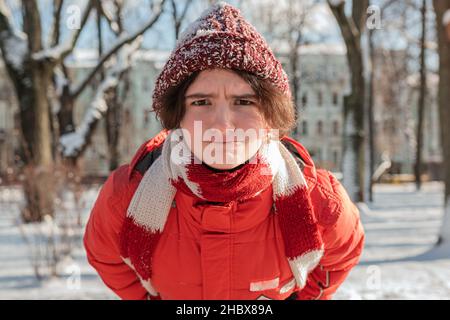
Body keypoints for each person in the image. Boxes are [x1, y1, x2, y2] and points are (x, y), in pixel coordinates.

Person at [83, 1, 364, 300]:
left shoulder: (317, 199)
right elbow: (106, 255)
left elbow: (343, 253)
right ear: (177, 115)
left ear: (270, 113)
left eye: (243, 102)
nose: (222, 125)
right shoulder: (126, 197)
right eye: (201, 102)